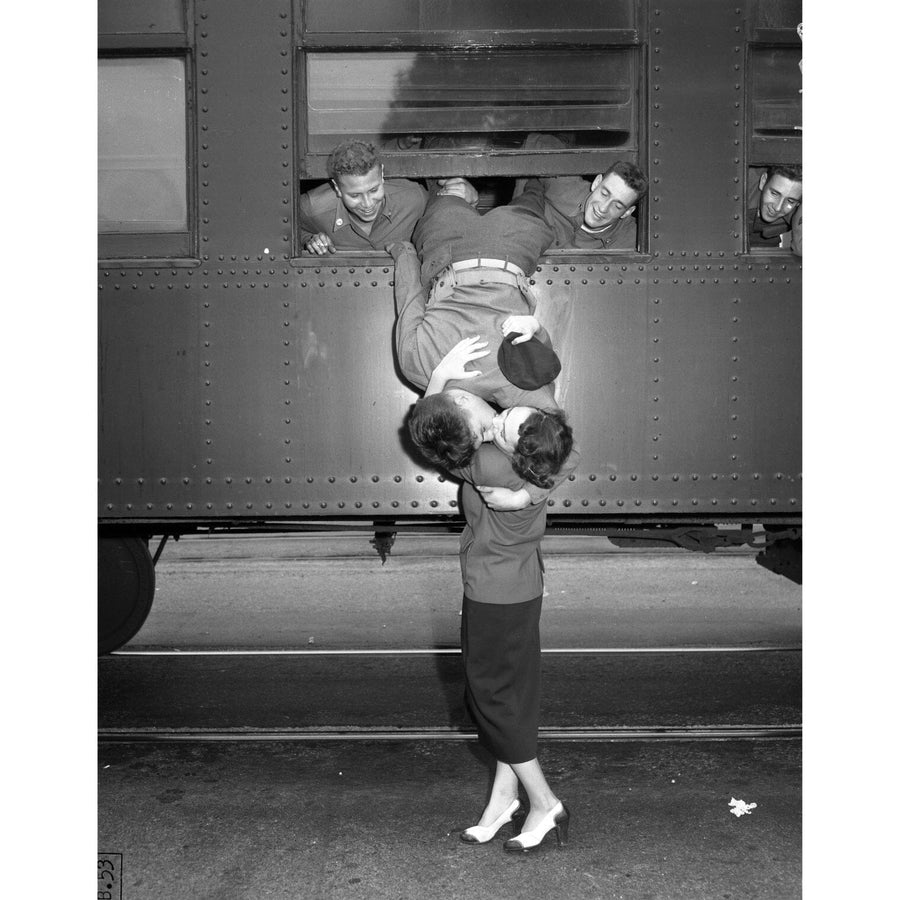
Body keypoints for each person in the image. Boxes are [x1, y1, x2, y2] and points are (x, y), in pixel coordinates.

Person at [390, 178, 578, 495]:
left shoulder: (515, 390)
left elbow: (563, 449)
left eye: (481, 430)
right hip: (445, 241)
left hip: (514, 242)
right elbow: (410, 294)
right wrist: (403, 250)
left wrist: (526, 497)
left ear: (462, 401)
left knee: (532, 190)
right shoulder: (416, 366)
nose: (490, 432)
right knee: (445, 183)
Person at [450, 441, 570, 853]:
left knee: (490, 699)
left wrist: (445, 378)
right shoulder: (530, 455)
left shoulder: (486, 460)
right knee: (513, 694)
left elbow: (433, 433)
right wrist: (528, 494)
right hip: (521, 584)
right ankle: (503, 800)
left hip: (493, 592)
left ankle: (545, 802)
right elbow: (567, 452)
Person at [515, 132, 649, 250]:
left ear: (627, 212)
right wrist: (519, 210)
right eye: (604, 194)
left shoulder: (632, 238)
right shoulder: (565, 186)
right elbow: (538, 142)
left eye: (617, 205)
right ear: (596, 183)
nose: (603, 208)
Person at [299, 140, 427, 255]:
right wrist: (308, 239)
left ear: (382, 175)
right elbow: (283, 232)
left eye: (374, 190)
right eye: (355, 195)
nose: (367, 204)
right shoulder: (311, 207)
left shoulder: (415, 197)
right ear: (337, 188)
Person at [747, 165, 802, 254]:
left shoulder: (798, 208)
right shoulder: (742, 185)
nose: (778, 208)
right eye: (774, 194)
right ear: (763, 181)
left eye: (790, 201)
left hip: (766, 243)